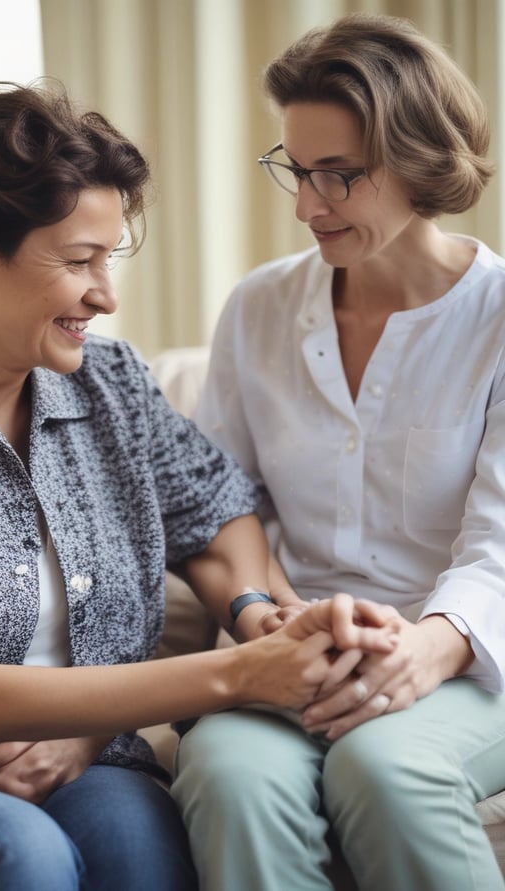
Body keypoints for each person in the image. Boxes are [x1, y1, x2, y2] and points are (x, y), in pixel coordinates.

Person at [0, 80, 398, 891]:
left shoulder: (111, 382)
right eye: (78, 261)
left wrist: (255, 612)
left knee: (146, 848)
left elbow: (216, 511)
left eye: (109, 258)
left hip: (83, 755)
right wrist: (241, 671)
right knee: (20, 851)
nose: (106, 294)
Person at [171, 12, 505, 891]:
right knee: (229, 776)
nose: (306, 206)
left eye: (339, 176)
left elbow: (498, 547)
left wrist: (422, 652)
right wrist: (260, 614)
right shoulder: (260, 307)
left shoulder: (498, 320)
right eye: (295, 169)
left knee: (388, 767)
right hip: (293, 649)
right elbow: (216, 511)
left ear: (421, 162)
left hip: (467, 660)